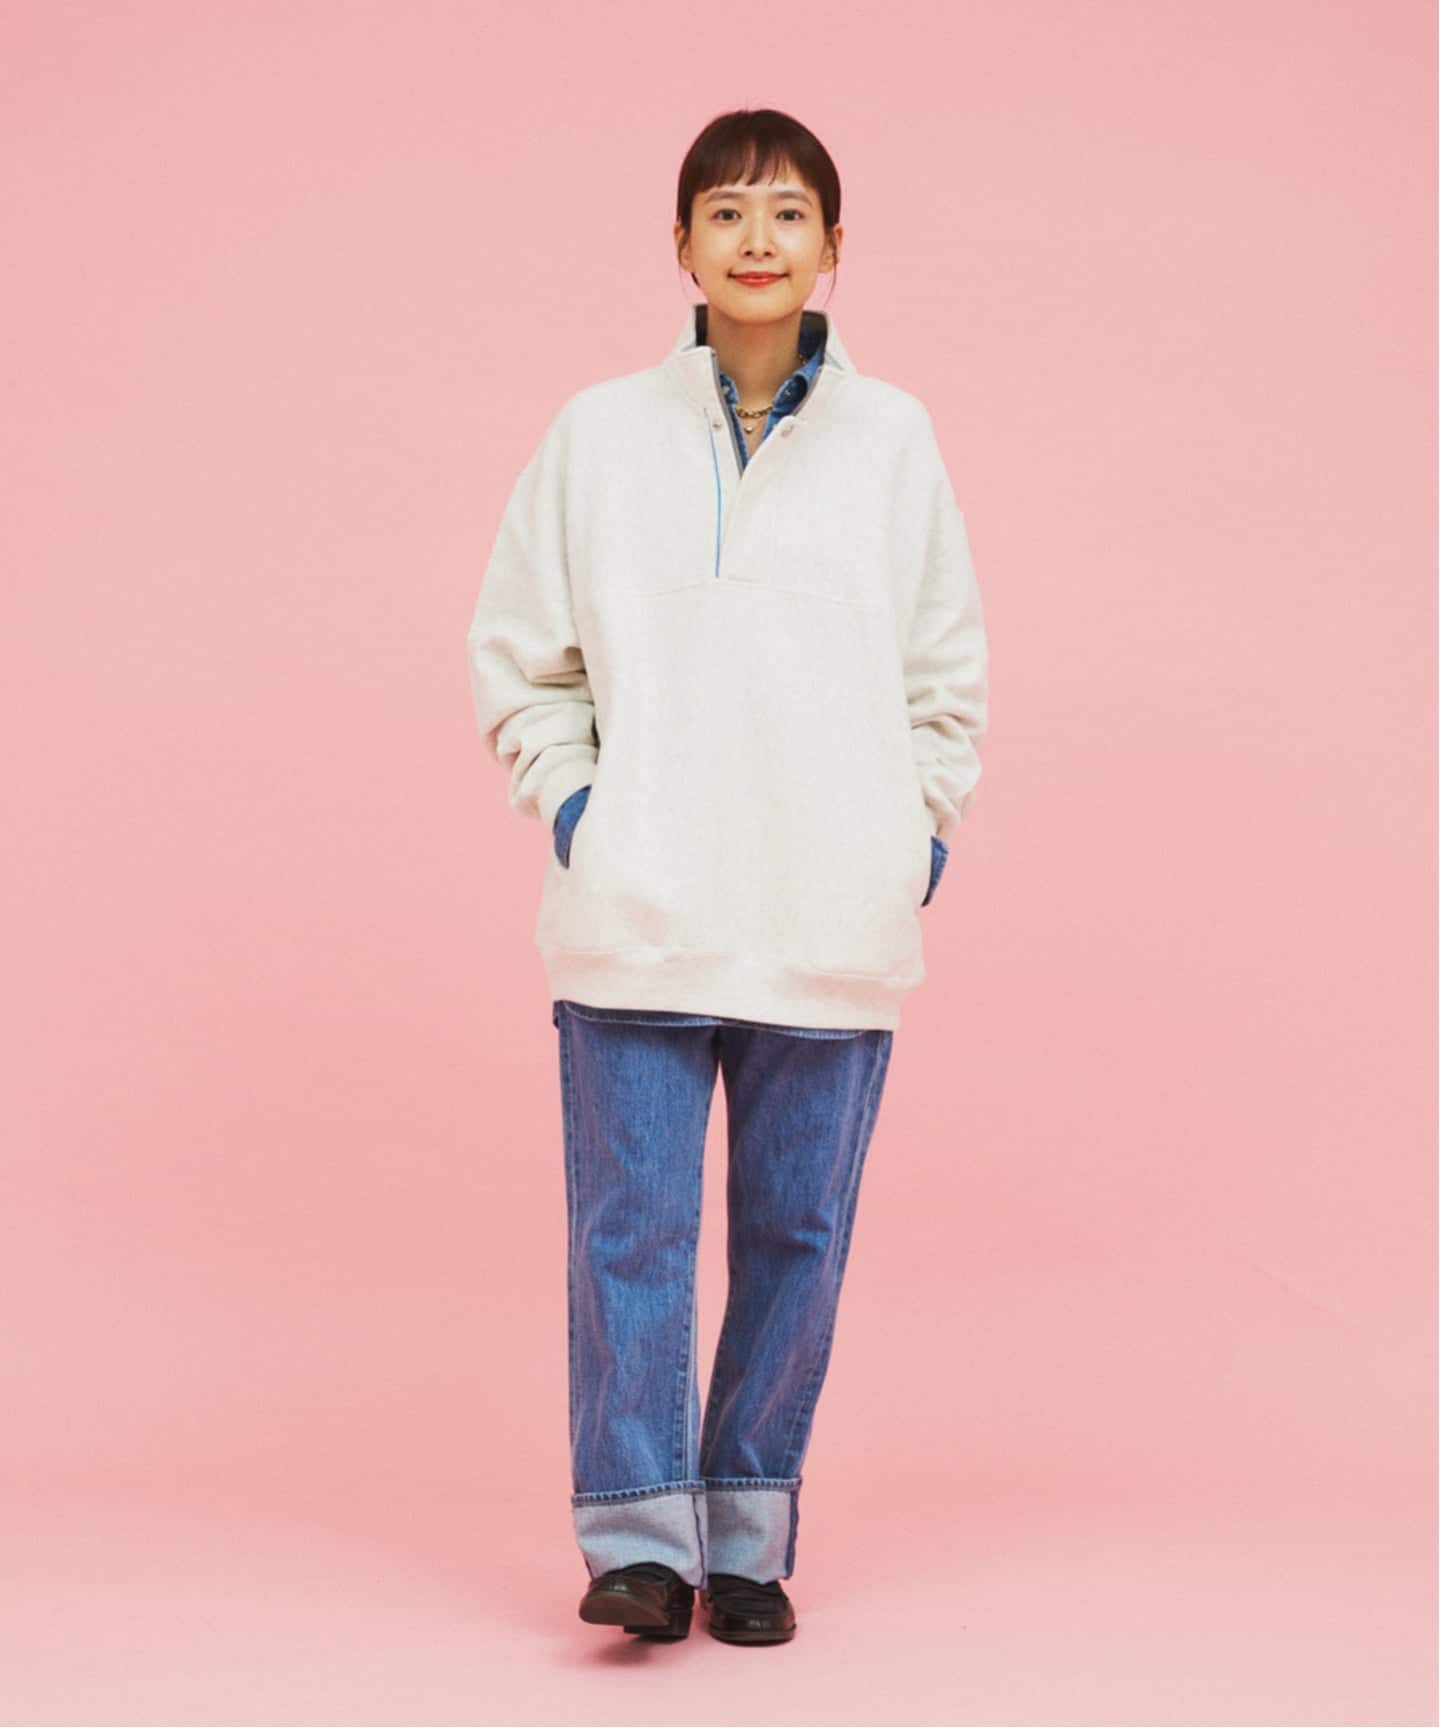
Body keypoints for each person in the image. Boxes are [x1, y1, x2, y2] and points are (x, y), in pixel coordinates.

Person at [466, 107, 989, 1645]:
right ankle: (640, 1541)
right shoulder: (596, 434)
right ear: (682, 245)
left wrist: (912, 838)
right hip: (638, 910)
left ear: (835, 246)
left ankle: (748, 1534)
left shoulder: (895, 440)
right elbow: (522, 654)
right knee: (628, 1236)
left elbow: (945, 673)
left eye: (789, 211)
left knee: (794, 1239)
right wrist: (584, 810)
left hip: (830, 914)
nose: (760, 238)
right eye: (728, 211)